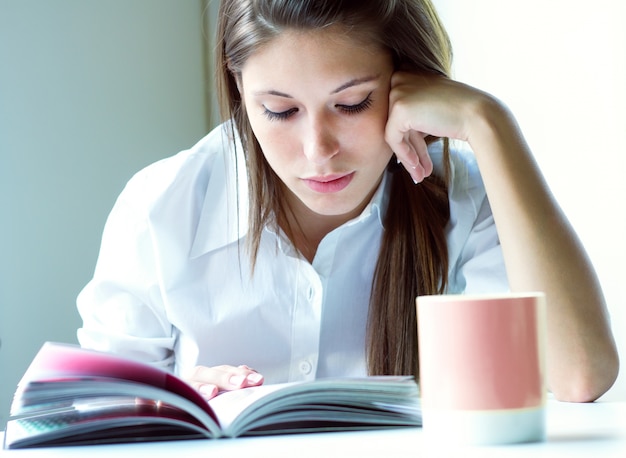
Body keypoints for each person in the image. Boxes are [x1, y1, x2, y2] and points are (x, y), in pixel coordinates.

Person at [77, 0, 618, 403]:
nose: (319, 152)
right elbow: (87, 416)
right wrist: (156, 397)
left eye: (353, 103)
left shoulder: (461, 196)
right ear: (240, 92)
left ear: (412, 83)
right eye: (280, 111)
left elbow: (579, 376)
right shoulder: (160, 208)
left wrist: (487, 121)